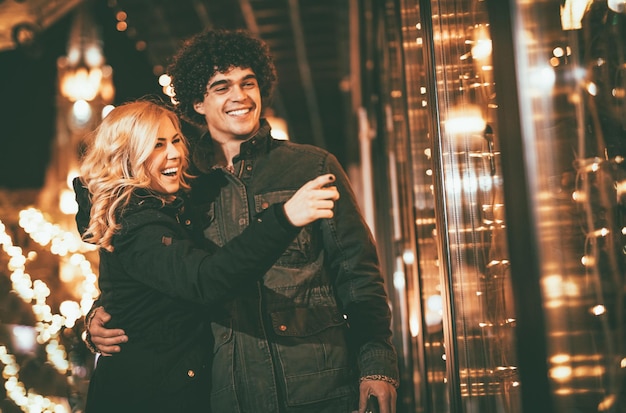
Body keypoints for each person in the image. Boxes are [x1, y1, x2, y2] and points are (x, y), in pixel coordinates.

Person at [86, 29, 399, 413]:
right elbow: (154, 268)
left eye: (248, 83)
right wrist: (98, 314)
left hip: (319, 385)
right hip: (225, 392)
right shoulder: (182, 183)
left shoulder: (311, 166)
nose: (240, 96)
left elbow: (358, 275)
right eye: (222, 87)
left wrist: (377, 366)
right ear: (198, 103)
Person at [74, 99, 340, 413]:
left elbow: (143, 286)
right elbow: (204, 279)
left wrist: (99, 311)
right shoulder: (136, 223)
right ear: (127, 157)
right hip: (147, 398)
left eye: (175, 141)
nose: (173, 153)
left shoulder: (165, 208)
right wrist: (284, 218)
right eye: (157, 145)